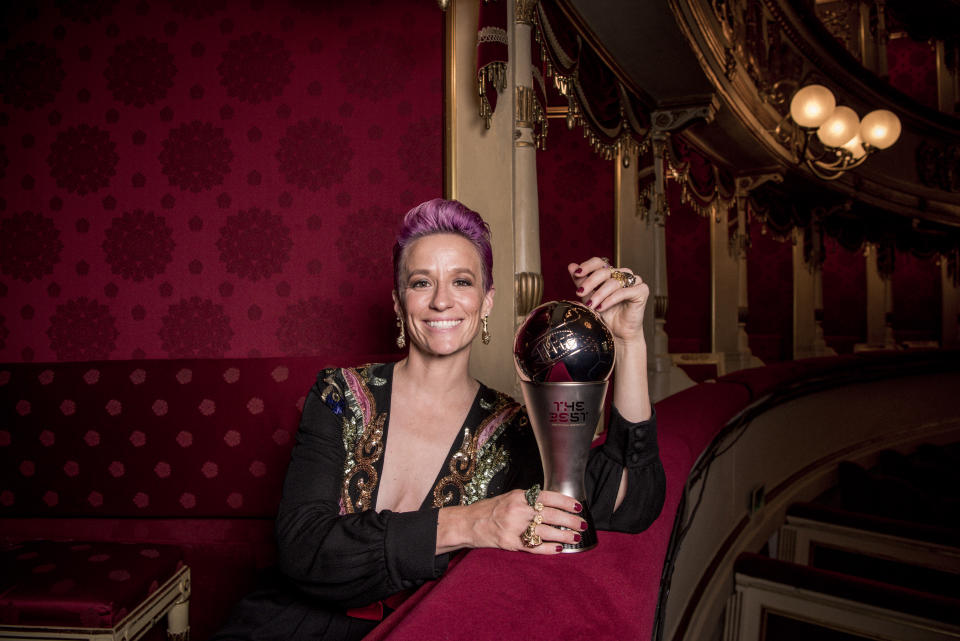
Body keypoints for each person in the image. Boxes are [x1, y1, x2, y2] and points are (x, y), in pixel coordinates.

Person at [213, 198, 665, 641]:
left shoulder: (513, 426)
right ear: (398, 301)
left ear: (487, 302)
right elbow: (304, 548)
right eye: (422, 283)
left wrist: (627, 342)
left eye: (462, 282)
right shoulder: (339, 395)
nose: (443, 302)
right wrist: (471, 523)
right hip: (289, 626)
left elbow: (631, 505)